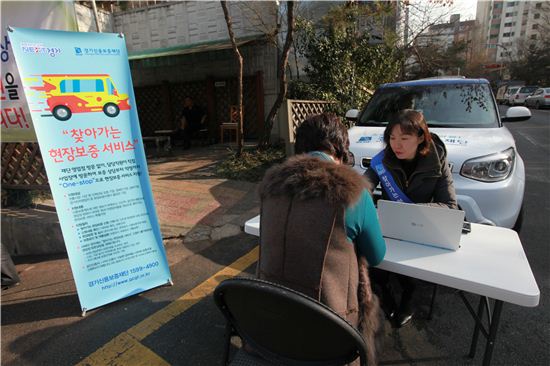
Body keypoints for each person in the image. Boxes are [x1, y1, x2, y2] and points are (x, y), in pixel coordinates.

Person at [257, 113, 386, 365]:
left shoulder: (271, 186)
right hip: (330, 330)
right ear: (340, 150)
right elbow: (376, 256)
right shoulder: (353, 192)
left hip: (270, 320)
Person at [364, 109, 457, 328]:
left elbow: (450, 206)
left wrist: (412, 213)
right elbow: (363, 187)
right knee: (371, 261)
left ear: (421, 137)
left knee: (411, 276)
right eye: (392, 138)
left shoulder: (437, 162)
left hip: (422, 231)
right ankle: (383, 292)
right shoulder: (383, 160)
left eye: (405, 138)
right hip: (391, 228)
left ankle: (410, 294)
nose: (397, 145)